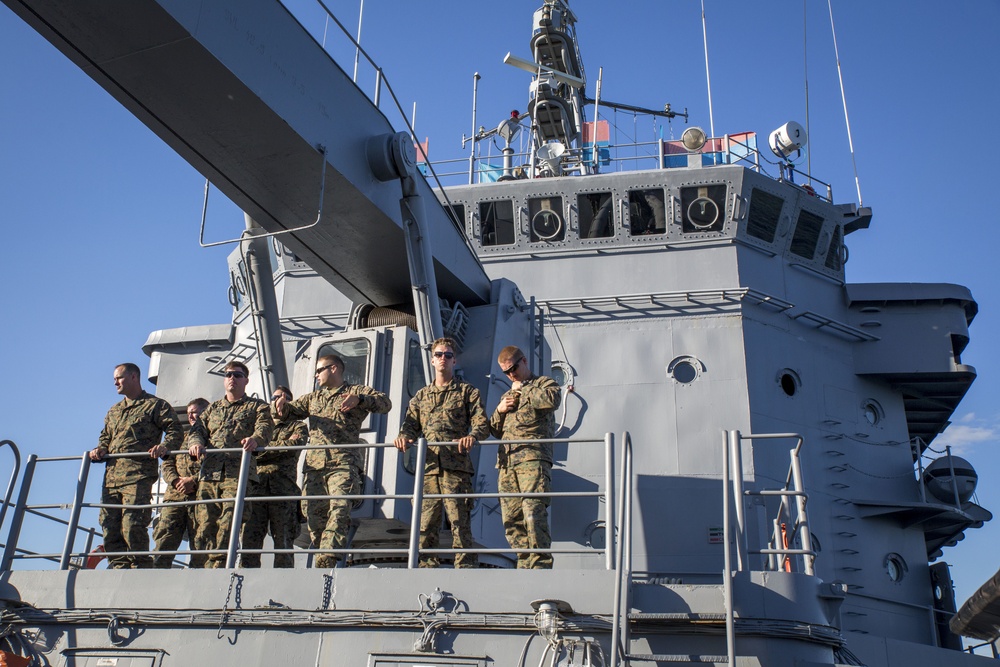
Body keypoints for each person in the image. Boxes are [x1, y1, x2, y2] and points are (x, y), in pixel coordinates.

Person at [273, 355, 391, 569]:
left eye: (319, 370)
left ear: (334, 368)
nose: (316, 375)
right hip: (315, 467)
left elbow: (385, 403)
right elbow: (289, 412)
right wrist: (279, 406)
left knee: (340, 506)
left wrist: (360, 400)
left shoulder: (355, 391)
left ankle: (327, 555)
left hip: (343, 464)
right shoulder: (313, 398)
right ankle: (323, 560)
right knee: (313, 515)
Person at [394, 338, 488, 568]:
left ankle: (465, 568)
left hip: (456, 468)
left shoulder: (467, 392)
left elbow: (482, 424)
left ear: (454, 361)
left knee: (459, 522)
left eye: (448, 355)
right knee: (425, 524)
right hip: (428, 469)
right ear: (432, 360)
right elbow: (410, 426)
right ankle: (427, 568)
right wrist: (403, 437)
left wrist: (472, 436)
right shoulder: (421, 396)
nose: (443, 358)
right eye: (438, 354)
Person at [89, 363, 183, 569]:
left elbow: (175, 429)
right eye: (114, 379)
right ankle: (119, 568)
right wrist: (100, 449)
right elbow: (105, 436)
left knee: (133, 525)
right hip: (112, 478)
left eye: (119, 378)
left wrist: (164, 446)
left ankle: (140, 568)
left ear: (134, 377)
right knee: (109, 527)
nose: (115, 382)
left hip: (138, 476)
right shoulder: (114, 411)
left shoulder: (155, 405)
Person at [187, 361, 273, 568]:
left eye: (237, 375)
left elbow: (265, 428)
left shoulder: (257, 407)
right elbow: (197, 430)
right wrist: (196, 443)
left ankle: (218, 567)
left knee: (229, 521)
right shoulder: (212, 409)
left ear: (246, 380)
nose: (232, 378)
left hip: (237, 474)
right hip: (210, 474)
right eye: (228, 375)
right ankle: (202, 569)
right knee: (204, 525)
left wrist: (255, 439)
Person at [489, 346, 562, 569]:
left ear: (524, 361)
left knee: (533, 512)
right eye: (506, 372)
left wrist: (525, 389)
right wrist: (500, 410)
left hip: (532, 459)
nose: (511, 375)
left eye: (513, 368)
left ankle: (540, 565)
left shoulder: (544, 384)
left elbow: (552, 400)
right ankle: (523, 564)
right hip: (507, 463)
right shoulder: (507, 395)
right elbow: (494, 430)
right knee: (511, 519)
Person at [241, 385, 307, 568]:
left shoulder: (298, 426)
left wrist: (260, 448)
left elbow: (293, 447)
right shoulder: (259, 427)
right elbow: (249, 452)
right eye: (274, 397)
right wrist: (278, 445)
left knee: (283, 542)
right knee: (250, 541)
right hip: (257, 490)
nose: (278, 401)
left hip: (283, 491)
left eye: (283, 398)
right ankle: (245, 578)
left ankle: (283, 581)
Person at [153, 398, 210, 568]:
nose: (191, 416)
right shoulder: (180, 439)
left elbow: (218, 465)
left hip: (202, 497)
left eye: (195, 412)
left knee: (201, 543)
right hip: (175, 497)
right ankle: (154, 575)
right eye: (189, 413)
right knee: (164, 539)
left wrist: (193, 480)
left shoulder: (215, 439)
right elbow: (167, 464)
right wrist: (176, 480)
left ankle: (198, 579)